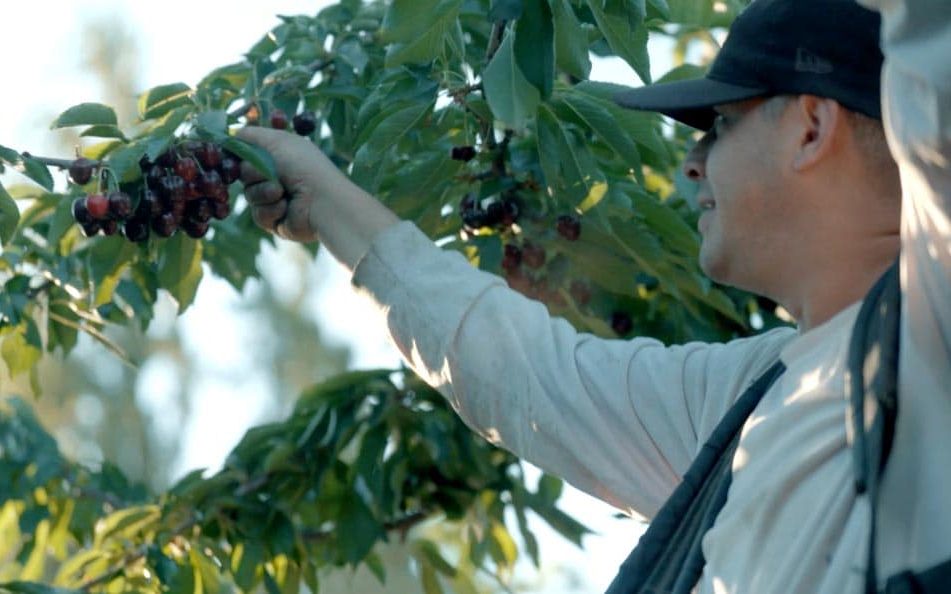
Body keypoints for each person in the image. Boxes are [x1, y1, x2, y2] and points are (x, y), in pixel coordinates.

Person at [235, 0, 951, 591]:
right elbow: (529, 376)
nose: (693, 164)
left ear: (810, 128)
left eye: (720, 125)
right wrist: (324, 196)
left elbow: (933, 57)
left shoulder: (934, 329)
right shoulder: (748, 395)